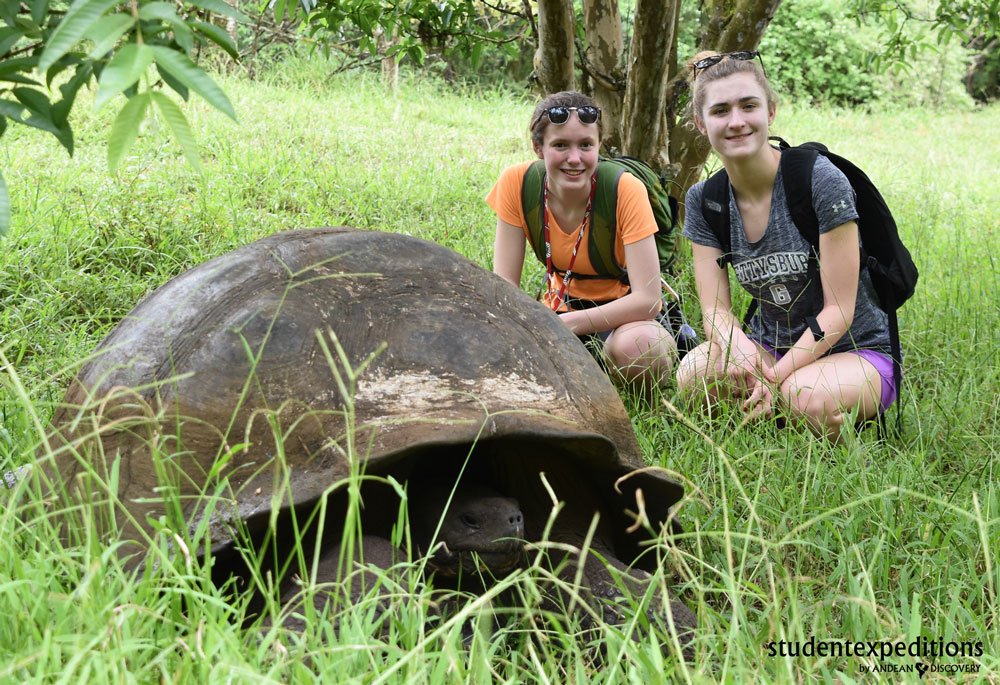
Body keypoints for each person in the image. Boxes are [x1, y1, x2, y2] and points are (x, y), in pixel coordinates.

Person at [675, 51, 899, 440]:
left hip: (854, 349)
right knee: (694, 375)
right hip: (770, 345)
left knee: (803, 395)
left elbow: (840, 311)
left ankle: (823, 419)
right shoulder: (705, 200)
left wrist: (774, 377)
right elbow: (715, 309)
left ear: (771, 111)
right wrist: (740, 351)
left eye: (748, 106)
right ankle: (783, 414)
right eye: (720, 110)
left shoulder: (818, 180)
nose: (736, 121)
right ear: (700, 123)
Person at [486, 91, 677, 387]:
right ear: (538, 147)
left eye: (586, 145)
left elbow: (648, 300)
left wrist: (565, 326)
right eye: (560, 145)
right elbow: (504, 287)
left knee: (640, 349)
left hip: (626, 317)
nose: (574, 159)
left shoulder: (625, 189)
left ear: (599, 145)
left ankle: (624, 382)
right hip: (559, 308)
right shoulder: (517, 183)